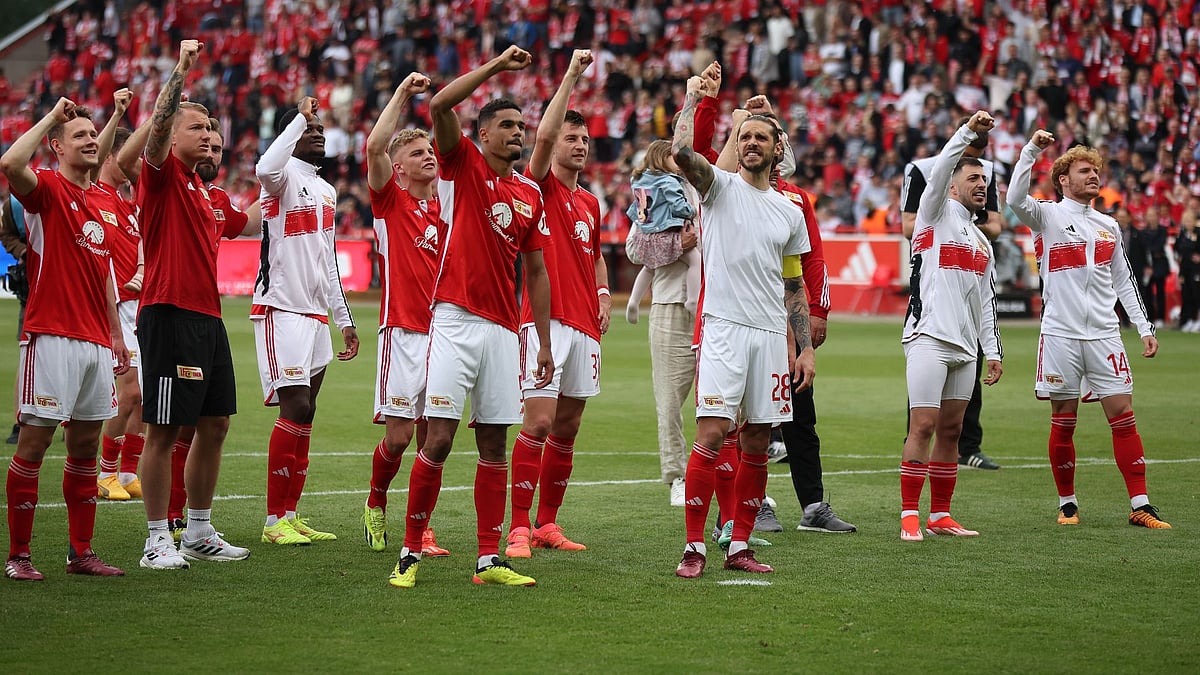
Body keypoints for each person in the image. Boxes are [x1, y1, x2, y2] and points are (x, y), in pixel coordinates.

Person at [389, 45, 553, 589]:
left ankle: (489, 558)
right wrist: (496, 69)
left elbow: (535, 271)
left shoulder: (529, 192)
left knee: (494, 445)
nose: (516, 132)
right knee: (436, 439)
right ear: (481, 135)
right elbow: (438, 105)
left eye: (519, 125)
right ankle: (410, 552)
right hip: (455, 321)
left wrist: (544, 343)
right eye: (505, 125)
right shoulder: (463, 166)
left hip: (506, 331)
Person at [671, 76, 815, 579]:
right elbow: (683, 150)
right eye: (744, 136)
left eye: (761, 137)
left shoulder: (789, 210)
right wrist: (694, 98)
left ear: (779, 150)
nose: (751, 142)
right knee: (712, 433)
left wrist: (805, 349)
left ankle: (739, 545)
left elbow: (794, 286)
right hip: (725, 329)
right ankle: (693, 547)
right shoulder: (718, 187)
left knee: (756, 440)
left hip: (772, 336)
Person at [1007, 130, 1170, 529]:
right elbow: (1013, 199)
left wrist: (1143, 326)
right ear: (1063, 179)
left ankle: (1141, 504)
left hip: (1105, 335)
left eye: (1096, 170)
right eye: (1084, 170)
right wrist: (1031, 150)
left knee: (1124, 414)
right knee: (1064, 419)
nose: (1094, 176)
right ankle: (1067, 504)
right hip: (1061, 334)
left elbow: (1124, 281)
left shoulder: (1108, 226)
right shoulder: (1046, 215)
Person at [1, 97, 131, 580]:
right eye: (79, 135)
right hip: (51, 336)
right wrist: (54, 116)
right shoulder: (46, 188)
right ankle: (18, 555)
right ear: (56, 146)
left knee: (85, 447)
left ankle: (81, 552)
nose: (91, 139)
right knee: (34, 445)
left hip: (96, 342)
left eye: (93, 133)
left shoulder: (101, 200)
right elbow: (11, 162)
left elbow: (105, 275)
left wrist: (115, 334)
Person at [134, 39, 249, 569]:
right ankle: (157, 537)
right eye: (196, 129)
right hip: (168, 312)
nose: (207, 136)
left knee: (216, 424)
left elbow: (249, 219)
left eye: (211, 130)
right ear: (172, 137)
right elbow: (156, 129)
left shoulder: (207, 192)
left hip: (208, 318)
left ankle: (198, 531)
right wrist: (180, 69)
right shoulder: (159, 177)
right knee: (162, 430)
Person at [504, 49, 611, 559]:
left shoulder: (591, 202)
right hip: (544, 323)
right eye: (573, 137)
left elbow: (596, 259)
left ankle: (548, 523)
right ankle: (518, 527)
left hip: (586, 325)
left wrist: (605, 295)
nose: (580, 144)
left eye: (585, 139)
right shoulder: (538, 184)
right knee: (538, 423)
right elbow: (542, 136)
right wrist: (571, 75)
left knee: (567, 428)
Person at [253, 95, 359, 546]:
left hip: (316, 314)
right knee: (294, 406)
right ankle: (273, 519)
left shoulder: (325, 190)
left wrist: (344, 319)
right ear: (291, 136)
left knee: (307, 413)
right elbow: (263, 167)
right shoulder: (278, 178)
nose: (320, 137)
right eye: (311, 132)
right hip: (282, 307)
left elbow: (328, 261)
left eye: (320, 132)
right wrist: (300, 118)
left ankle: (291, 514)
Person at [899, 111, 1004, 543]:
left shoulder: (981, 240)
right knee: (921, 425)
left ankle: (940, 514)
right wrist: (965, 135)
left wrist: (992, 350)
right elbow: (940, 168)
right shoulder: (933, 213)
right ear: (954, 185)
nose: (982, 185)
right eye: (973, 178)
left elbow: (985, 300)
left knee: (953, 431)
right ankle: (909, 515)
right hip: (928, 338)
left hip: (965, 349)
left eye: (985, 179)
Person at [361, 72, 450, 557]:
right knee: (397, 438)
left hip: (444, 336)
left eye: (430, 150)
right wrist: (402, 94)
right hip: (402, 333)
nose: (428, 155)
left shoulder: (447, 208)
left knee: (434, 437)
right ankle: (375, 501)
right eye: (417, 153)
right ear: (398, 168)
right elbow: (374, 147)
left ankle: (424, 528)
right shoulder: (389, 203)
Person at [93, 89, 146, 503]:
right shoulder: (96, 197)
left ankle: (128, 472)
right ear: (109, 157)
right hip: (113, 312)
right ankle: (105, 472)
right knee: (127, 394)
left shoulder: (130, 206)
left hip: (140, 310)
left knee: (144, 398)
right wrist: (117, 113)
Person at [623, 140, 699, 324]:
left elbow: (637, 209)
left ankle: (633, 301)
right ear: (662, 159)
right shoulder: (668, 181)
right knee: (696, 261)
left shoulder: (639, 180)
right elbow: (677, 205)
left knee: (650, 267)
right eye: (673, 159)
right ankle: (692, 300)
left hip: (646, 233)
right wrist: (692, 211)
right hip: (667, 233)